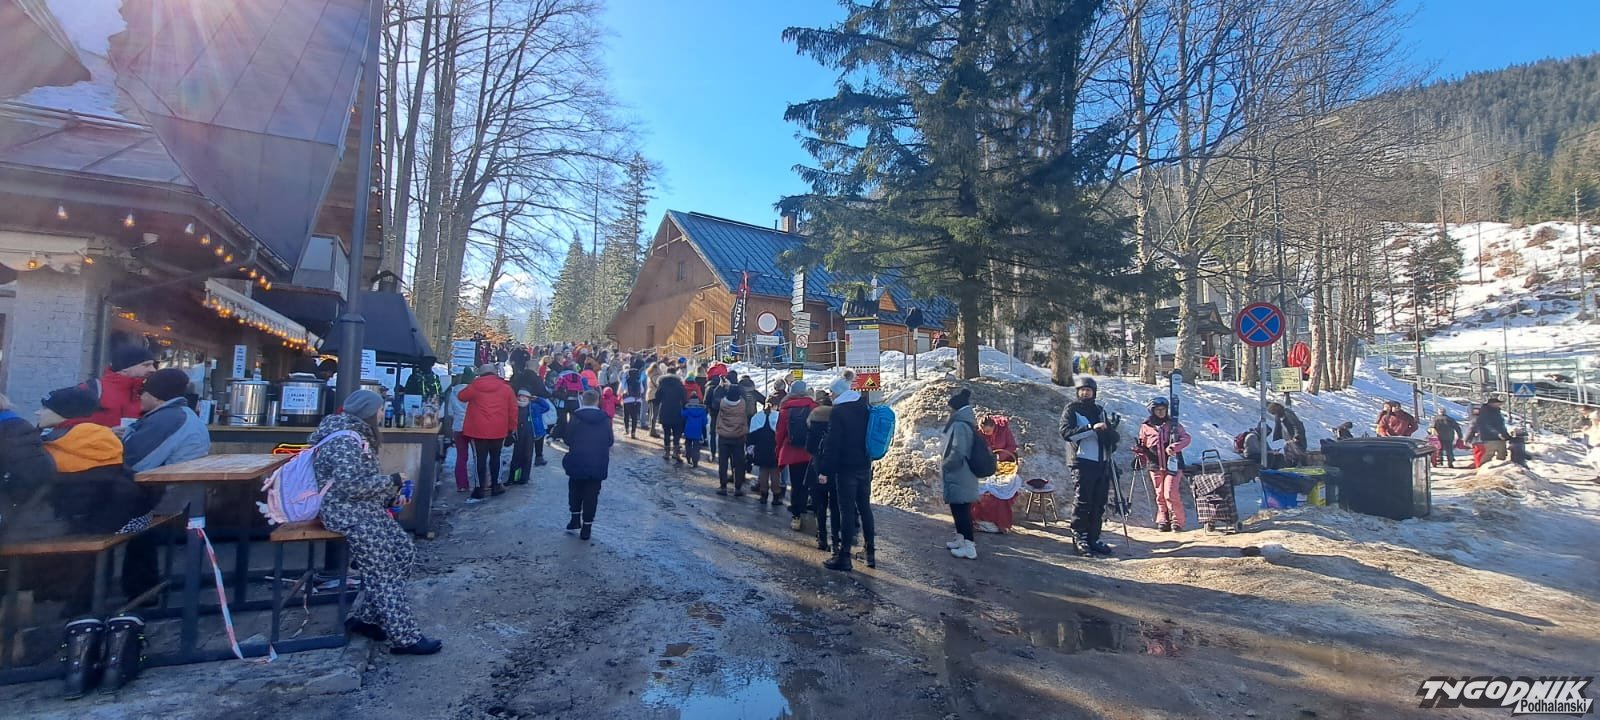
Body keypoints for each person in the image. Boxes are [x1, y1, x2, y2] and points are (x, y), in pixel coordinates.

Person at [312, 390, 440, 655]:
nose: (383, 413)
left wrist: (390, 495)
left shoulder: (354, 434)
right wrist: (392, 481)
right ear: (369, 413)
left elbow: (357, 483)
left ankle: (366, 619)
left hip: (365, 510)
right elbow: (351, 486)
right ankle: (406, 638)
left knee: (404, 553)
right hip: (349, 515)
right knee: (384, 573)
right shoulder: (344, 441)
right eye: (380, 409)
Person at [118, 369, 210, 599]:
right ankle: (141, 589)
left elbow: (134, 462)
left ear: (156, 396)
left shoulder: (168, 419)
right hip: (175, 492)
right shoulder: (179, 415)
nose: (140, 397)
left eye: (143, 392)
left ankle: (85, 600)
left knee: (89, 513)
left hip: (161, 497)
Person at [815, 378, 875, 571]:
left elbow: (833, 444)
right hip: (864, 465)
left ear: (839, 393)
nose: (831, 396)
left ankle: (844, 556)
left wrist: (825, 470)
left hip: (846, 468)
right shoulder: (864, 406)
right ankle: (870, 553)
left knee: (846, 511)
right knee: (864, 508)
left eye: (832, 392)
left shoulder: (839, 411)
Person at [1059, 377, 1117, 556]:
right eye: (1082, 390)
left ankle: (1093, 537)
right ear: (1077, 392)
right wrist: (1092, 428)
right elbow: (1066, 433)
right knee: (1083, 501)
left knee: (1099, 502)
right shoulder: (1072, 409)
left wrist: (1111, 432)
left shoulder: (1100, 410)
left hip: (1101, 462)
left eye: (1089, 390)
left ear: (1094, 392)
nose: (1085, 393)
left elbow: (1110, 441)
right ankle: (1080, 537)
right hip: (1082, 461)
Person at [459, 363, 517, 502]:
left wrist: (472, 383)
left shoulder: (475, 386)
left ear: (480, 374)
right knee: (496, 458)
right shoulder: (506, 388)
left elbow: (461, 396)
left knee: (479, 459)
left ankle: (479, 488)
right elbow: (513, 410)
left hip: (477, 430)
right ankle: (496, 486)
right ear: (495, 373)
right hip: (499, 429)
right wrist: (512, 428)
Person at [561, 390, 614, 541]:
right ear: (597, 401)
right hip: (597, 462)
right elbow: (610, 441)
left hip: (577, 460)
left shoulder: (575, 417)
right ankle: (587, 527)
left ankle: (575, 519)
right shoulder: (605, 418)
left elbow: (567, 439)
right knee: (592, 495)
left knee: (575, 490)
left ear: (582, 400)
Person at [1135, 397, 1191, 533]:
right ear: (1152, 411)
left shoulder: (1173, 424)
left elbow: (1186, 438)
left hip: (1173, 464)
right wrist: (1139, 455)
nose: (1161, 412)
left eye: (1163, 409)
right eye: (1158, 410)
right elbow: (1143, 444)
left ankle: (1177, 521)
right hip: (1154, 464)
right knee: (1160, 494)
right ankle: (1163, 519)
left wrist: (1174, 447)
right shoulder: (1146, 426)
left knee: (1170, 493)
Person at [941, 388, 981, 560]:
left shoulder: (960, 424)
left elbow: (958, 450)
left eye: (951, 408)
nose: (949, 411)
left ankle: (969, 547)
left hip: (960, 474)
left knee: (962, 510)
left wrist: (947, 464)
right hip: (959, 474)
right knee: (957, 508)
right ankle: (960, 539)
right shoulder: (963, 422)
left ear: (956, 409)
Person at [775, 381, 817, 532]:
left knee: (796, 484)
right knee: (808, 483)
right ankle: (807, 509)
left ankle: (796, 516)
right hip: (809, 452)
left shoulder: (785, 409)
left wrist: (778, 450)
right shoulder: (813, 407)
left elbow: (780, 433)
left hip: (792, 452)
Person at [87, 344, 158, 429]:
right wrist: (106, 432)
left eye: (153, 365)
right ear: (125, 368)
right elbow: (74, 426)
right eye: (146, 365)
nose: (153, 369)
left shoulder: (147, 392)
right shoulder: (93, 389)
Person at [715, 382, 752, 496]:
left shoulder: (722, 403)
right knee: (738, 464)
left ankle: (723, 487)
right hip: (738, 437)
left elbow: (715, 398)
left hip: (724, 437)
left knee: (723, 463)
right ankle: (738, 488)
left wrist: (721, 386)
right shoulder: (742, 404)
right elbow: (744, 396)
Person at [508, 389, 551, 485]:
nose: (523, 398)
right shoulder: (514, 407)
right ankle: (513, 478)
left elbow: (546, 407)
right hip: (518, 435)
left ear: (529, 398)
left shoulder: (534, 407)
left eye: (526, 397)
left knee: (527, 456)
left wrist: (538, 399)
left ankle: (524, 478)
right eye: (521, 396)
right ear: (518, 397)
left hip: (530, 435)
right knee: (516, 457)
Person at [445, 369, 475, 492]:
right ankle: (480, 482)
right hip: (473, 427)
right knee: (477, 456)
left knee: (461, 457)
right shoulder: (474, 392)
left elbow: (450, 412)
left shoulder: (453, 392)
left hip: (458, 427)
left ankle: (462, 484)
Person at [749, 399, 783, 506]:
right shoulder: (778, 417)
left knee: (763, 472)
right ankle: (776, 496)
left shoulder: (757, 417)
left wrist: (750, 449)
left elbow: (751, 435)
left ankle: (763, 495)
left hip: (760, 450)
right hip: (774, 450)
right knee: (775, 474)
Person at [656, 366, 688, 463]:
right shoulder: (679, 384)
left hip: (665, 410)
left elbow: (657, 397)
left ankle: (666, 453)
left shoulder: (662, 383)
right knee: (677, 433)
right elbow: (684, 398)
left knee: (666, 433)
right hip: (676, 410)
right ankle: (675, 453)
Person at [1466, 397, 1510, 464]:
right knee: (1489, 455)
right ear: (1491, 404)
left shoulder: (1497, 412)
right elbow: (1487, 425)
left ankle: (1499, 467)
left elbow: (1501, 425)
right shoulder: (1485, 413)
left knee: (1502, 454)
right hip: (1489, 437)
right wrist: (1498, 433)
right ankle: (1483, 467)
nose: (1499, 405)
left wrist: (1505, 434)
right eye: (1497, 403)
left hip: (1499, 437)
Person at [552, 369, 585, 442]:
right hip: (575, 401)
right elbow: (581, 390)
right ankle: (570, 437)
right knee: (573, 421)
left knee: (561, 420)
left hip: (562, 402)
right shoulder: (578, 377)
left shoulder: (562, 375)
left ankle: (557, 435)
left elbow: (556, 388)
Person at [681, 391, 709, 467]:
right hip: (697, 431)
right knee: (696, 447)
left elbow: (682, 415)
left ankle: (688, 457)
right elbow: (705, 422)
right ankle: (695, 461)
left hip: (688, 430)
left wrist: (683, 408)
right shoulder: (702, 410)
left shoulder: (687, 409)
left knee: (688, 444)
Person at [621, 362, 645, 438]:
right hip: (637, 400)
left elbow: (622, 388)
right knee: (634, 417)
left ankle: (626, 430)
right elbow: (642, 390)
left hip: (627, 400)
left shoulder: (626, 380)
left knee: (626, 415)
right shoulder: (639, 380)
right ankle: (633, 433)